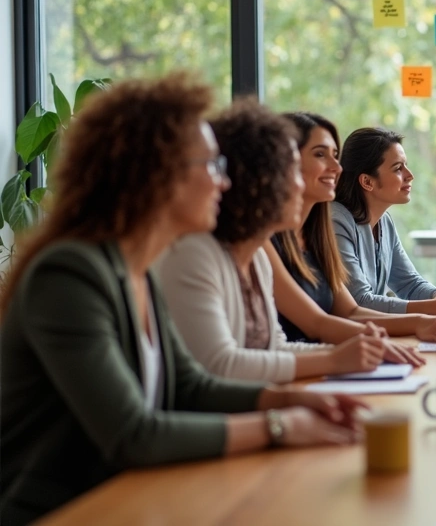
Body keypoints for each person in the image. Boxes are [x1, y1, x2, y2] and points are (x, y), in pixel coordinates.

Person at [0, 74, 366, 525]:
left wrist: (287, 401)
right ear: (156, 174)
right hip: (64, 511)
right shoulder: (69, 276)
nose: (224, 183)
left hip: (131, 497)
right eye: (210, 166)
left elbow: (193, 385)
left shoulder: (137, 272)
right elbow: (133, 434)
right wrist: (281, 426)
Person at [157, 103, 422, 384]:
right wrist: (335, 359)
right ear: (254, 178)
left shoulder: (256, 256)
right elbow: (220, 367)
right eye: (291, 171)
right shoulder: (196, 253)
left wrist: (357, 352)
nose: (336, 169)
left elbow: (275, 346)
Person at [268, 112, 436, 344]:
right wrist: (429, 312)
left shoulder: (321, 233)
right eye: (320, 154)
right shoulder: (330, 221)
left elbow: (352, 312)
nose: (336, 167)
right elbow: (345, 310)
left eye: (335, 156)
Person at [331, 127, 436, 317]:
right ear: (367, 182)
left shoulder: (384, 222)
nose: (410, 175)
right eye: (398, 168)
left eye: (406, 165)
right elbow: (359, 302)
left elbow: (409, 284)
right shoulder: (336, 221)